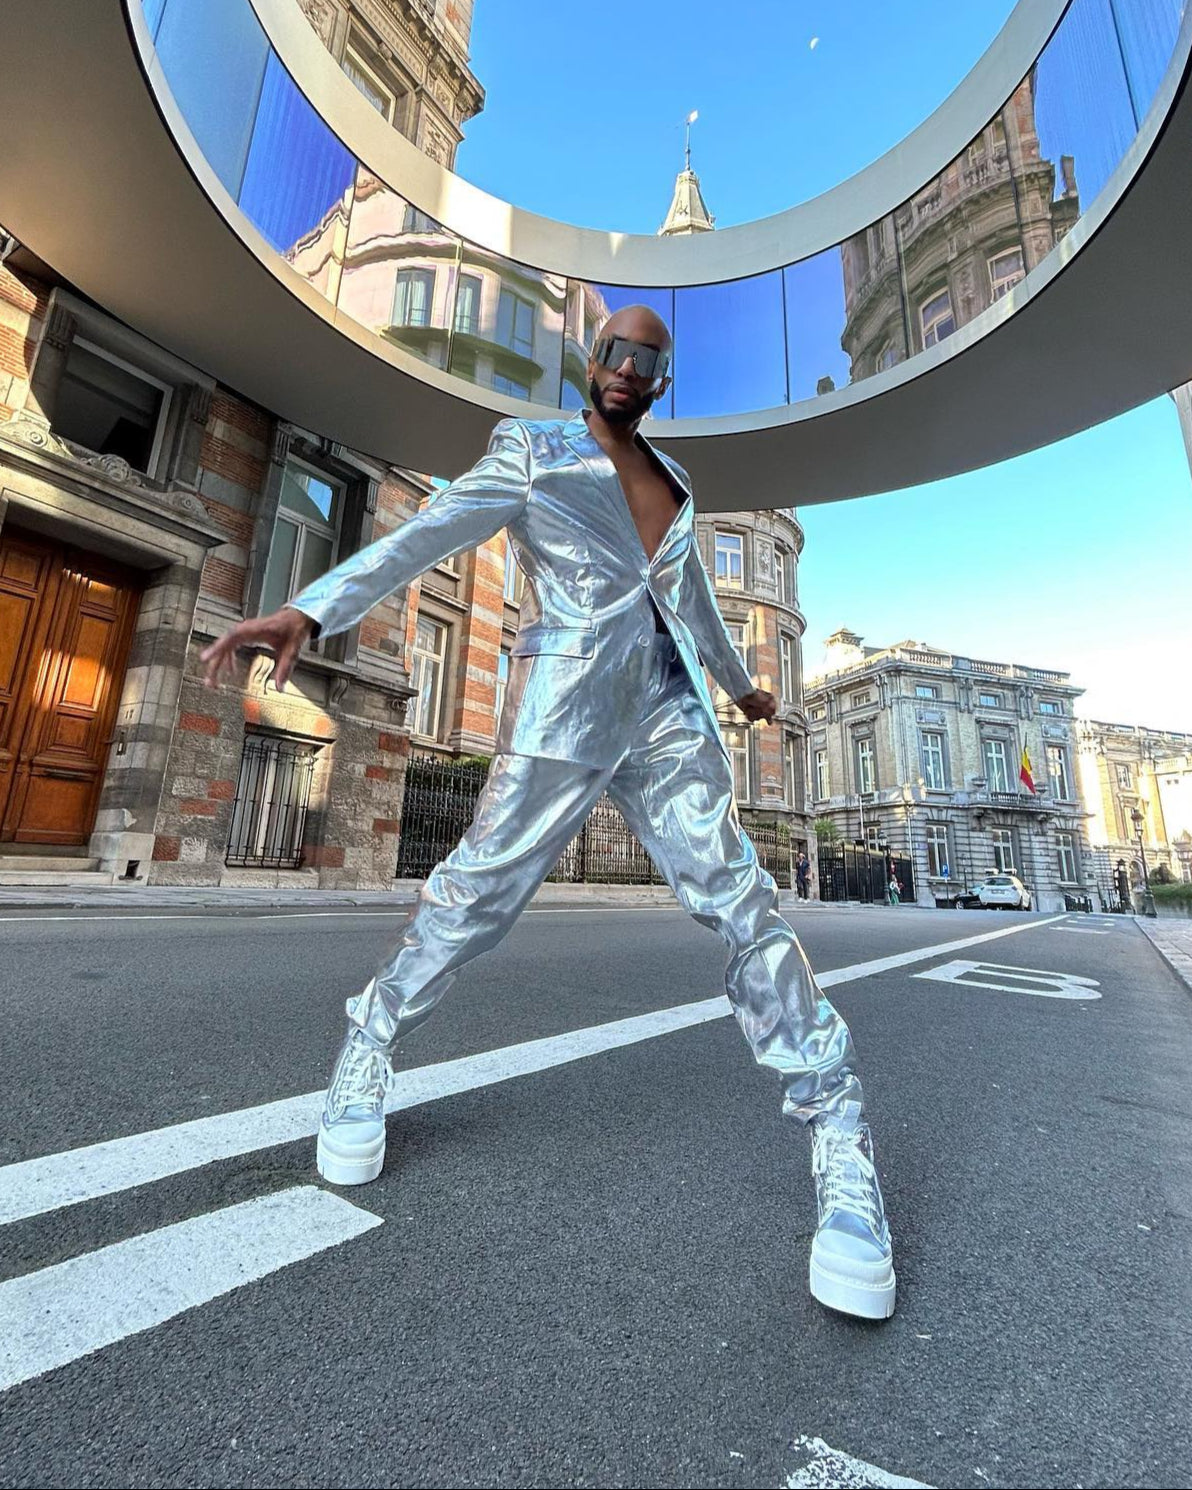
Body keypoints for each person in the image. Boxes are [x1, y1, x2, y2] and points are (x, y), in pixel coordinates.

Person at [201, 306, 896, 1321]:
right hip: (565, 703)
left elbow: (691, 598)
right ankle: (369, 1043)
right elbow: (432, 529)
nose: (627, 368)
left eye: (647, 360)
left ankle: (838, 1129)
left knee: (745, 903)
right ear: (590, 360)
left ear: (663, 379)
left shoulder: (677, 483)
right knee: (476, 895)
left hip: (667, 714)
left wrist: (742, 686)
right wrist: (314, 607)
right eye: (614, 352)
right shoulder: (532, 450)